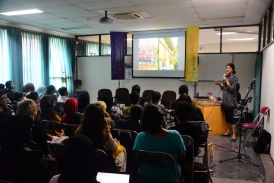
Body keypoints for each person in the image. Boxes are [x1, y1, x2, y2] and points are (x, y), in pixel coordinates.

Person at [133, 104, 186, 183]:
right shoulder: (174, 135)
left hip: (146, 177)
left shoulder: (140, 137)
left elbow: (136, 158)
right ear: (162, 119)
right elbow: (182, 156)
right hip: (169, 178)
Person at [75, 104, 127, 172]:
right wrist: (107, 128)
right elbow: (114, 148)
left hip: (85, 164)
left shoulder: (78, 132)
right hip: (103, 166)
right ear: (101, 118)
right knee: (123, 151)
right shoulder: (104, 135)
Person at [0, 115, 52, 183]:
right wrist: (51, 164)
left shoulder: (4, 157)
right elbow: (49, 178)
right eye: (30, 128)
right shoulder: (34, 162)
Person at [214, 63, 238, 142]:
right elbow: (224, 89)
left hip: (231, 101)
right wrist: (219, 85)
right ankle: (228, 131)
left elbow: (233, 90)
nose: (227, 69)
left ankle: (234, 134)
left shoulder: (235, 77)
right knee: (227, 117)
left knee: (231, 117)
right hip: (225, 100)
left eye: (229, 68)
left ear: (233, 69)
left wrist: (227, 81)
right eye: (226, 68)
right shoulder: (227, 77)